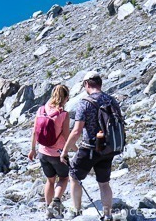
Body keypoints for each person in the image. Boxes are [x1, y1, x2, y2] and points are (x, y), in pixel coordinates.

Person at [60, 71, 123, 220]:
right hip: (108, 148)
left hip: (89, 148)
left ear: (87, 84)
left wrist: (64, 151)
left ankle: (76, 210)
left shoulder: (85, 103)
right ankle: (107, 215)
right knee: (104, 183)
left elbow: (76, 131)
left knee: (74, 176)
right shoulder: (112, 100)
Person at [28, 84, 71, 219]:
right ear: (66, 98)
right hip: (58, 154)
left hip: (42, 152)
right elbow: (66, 136)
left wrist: (32, 150)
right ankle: (56, 201)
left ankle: (48, 209)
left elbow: (35, 131)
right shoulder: (63, 114)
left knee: (50, 181)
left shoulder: (41, 110)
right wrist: (75, 148)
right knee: (64, 178)